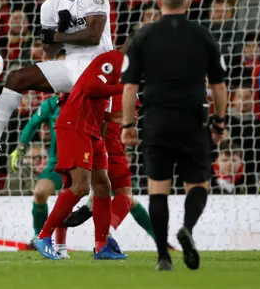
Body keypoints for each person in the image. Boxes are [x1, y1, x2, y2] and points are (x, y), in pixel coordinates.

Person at [121, 0, 228, 271]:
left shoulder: (144, 35)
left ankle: (162, 257)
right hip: (193, 119)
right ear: (189, 3)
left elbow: (129, 87)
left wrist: (128, 125)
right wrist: (219, 121)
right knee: (199, 184)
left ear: (160, 2)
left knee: (158, 189)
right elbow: (219, 85)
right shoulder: (203, 35)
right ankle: (188, 229)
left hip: (156, 121)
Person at [0, 0, 112, 161]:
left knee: (99, 141)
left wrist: (58, 34)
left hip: (98, 70)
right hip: (71, 66)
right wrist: (58, 35)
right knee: (15, 78)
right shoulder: (50, 5)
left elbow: (93, 37)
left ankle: (101, 185)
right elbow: (50, 52)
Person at [33, 49, 127, 261]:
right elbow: (90, 87)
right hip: (75, 125)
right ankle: (43, 235)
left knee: (103, 184)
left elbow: (94, 98)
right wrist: (126, 87)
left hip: (92, 128)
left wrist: (112, 116)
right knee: (80, 186)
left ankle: (101, 245)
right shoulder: (113, 60)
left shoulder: (128, 69)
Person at [63, 93, 177, 251]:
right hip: (110, 146)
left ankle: (48, 236)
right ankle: (105, 234)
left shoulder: (91, 85)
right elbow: (131, 116)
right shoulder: (125, 89)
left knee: (117, 194)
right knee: (125, 196)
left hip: (86, 142)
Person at [10, 94, 70, 259]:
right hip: (58, 163)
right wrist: (20, 148)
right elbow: (32, 124)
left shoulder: (86, 98)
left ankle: (103, 241)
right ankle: (41, 239)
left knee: (118, 197)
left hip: (86, 159)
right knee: (40, 192)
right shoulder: (51, 104)